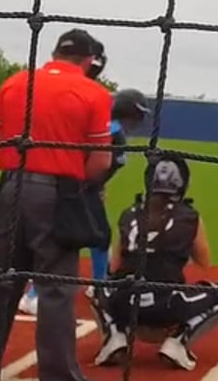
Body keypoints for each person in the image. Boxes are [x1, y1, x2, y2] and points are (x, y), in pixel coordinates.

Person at [0, 29, 116, 381]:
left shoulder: (16, 81)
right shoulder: (94, 93)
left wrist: (21, 167)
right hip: (56, 195)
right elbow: (100, 161)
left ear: (55, 53)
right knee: (55, 289)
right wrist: (69, 182)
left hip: (10, 189)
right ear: (90, 60)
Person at [91, 152, 218, 370]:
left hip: (126, 304)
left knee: (96, 288)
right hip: (167, 307)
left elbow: (114, 266)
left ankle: (115, 337)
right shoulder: (189, 216)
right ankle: (177, 342)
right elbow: (204, 262)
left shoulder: (129, 214)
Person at [22, 88, 150, 319]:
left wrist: (98, 187)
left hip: (81, 188)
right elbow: (96, 163)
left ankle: (99, 286)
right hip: (78, 190)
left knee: (99, 237)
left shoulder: (106, 129)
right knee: (68, 241)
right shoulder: (112, 133)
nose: (136, 122)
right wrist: (88, 188)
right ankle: (34, 295)